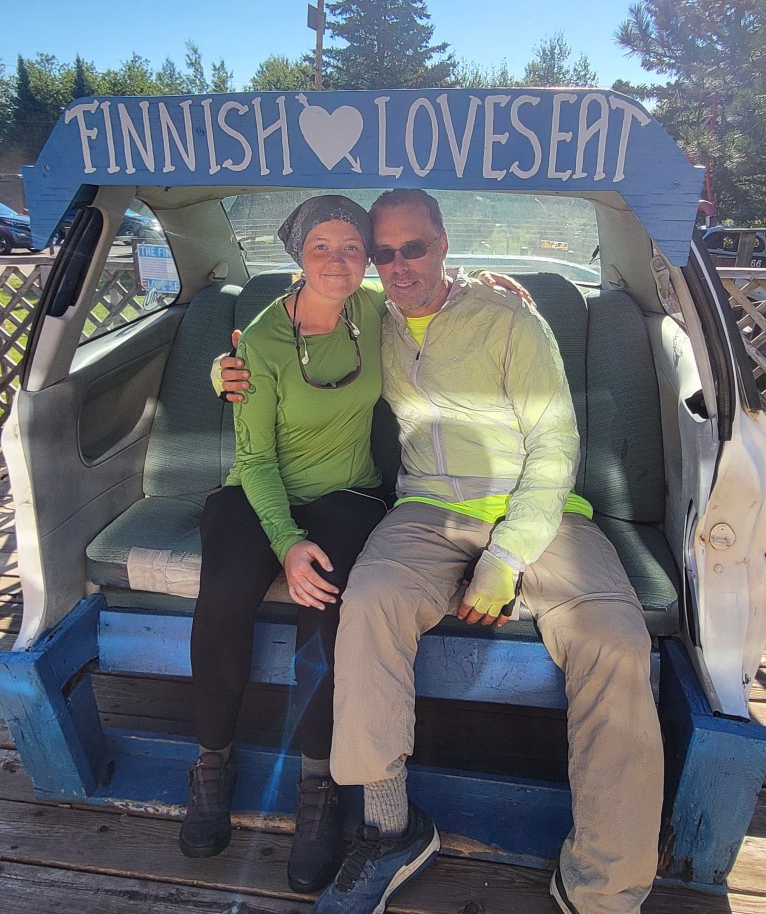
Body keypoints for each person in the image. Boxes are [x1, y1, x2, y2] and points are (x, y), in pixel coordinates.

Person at [217, 188, 664, 914]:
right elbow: (287, 339)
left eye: (414, 248)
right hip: (427, 509)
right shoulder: (372, 320)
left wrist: (507, 556)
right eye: (383, 254)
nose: (399, 266)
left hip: (536, 511)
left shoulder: (509, 318)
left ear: (444, 243)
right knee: (368, 603)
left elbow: (555, 444)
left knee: (614, 641)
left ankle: (605, 887)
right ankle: (390, 827)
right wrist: (225, 371)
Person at [180, 195, 391, 897]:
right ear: (298, 254)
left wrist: (491, 285)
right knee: (224, 592)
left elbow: (434, 292)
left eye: (352, 246)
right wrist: (287, 541)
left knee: (323, 605)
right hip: (261, 490)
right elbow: (257, 461)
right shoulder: (263, 340)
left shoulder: (376, 311)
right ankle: (212, 763)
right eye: (321, 246)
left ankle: (316, 785)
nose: (338, 260)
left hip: (348, 493)